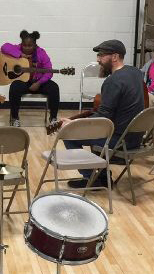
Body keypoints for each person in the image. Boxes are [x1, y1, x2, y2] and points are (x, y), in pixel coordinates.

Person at [60, 40, 145, 189]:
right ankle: (102, 176)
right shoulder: (135, 72)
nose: (98, 60)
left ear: (115, 57)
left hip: (120, 142)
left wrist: (73, 124)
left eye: (101, 55)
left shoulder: (113, 81)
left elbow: (102, 118)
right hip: (135, 138)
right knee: (89, 132)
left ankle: (94, 178)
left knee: (68, 135)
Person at [1, 30, 60, 127]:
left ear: (35, 45)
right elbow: (4, 47)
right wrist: (20, 55)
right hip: (24, 82)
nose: (27, 48)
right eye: (25, 45)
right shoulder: (18, 49)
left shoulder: (41, 53)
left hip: (38, 82)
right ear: (21, 44)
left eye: (30, 46)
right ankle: (15, 118)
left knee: (54, 88)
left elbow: (49, 70)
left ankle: (53, 118)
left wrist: (39, 83)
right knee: (14, 87)